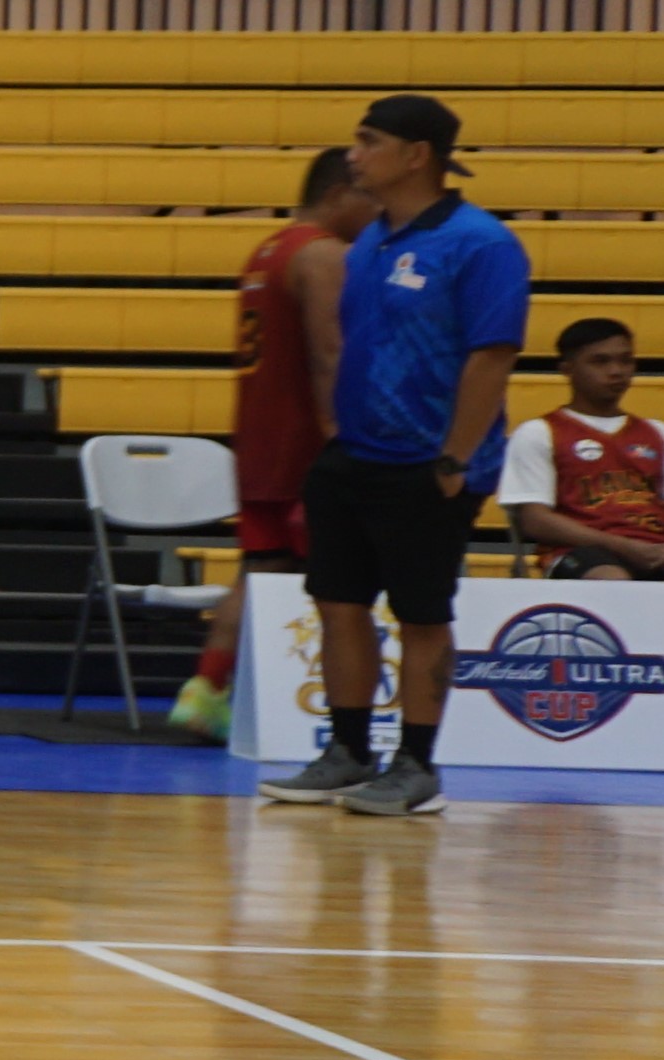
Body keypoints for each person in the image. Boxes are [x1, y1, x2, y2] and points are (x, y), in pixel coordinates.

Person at [267, 93, 529, 819]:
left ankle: (417, 765)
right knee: (338, 603)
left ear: (417, 154)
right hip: (355, 454)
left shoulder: (482, 243)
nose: (353, 155)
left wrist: (453, 460)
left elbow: (491, 358)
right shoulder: (371, 240)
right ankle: (348, 751)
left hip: (428, 464)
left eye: (367, 140)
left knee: (420, 613)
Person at [178, 148, 361, 740]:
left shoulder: (266, 250)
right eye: (373, 202)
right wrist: (341, 437)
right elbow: (328, 353)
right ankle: (330, 714)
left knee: (261, 567)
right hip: (306, 442)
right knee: (335, 576)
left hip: (259, 438)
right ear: (341, 194)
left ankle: (207, 687)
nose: (380, 215)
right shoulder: (324, 253)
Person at [501, 317, 664, 579]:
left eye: (625, 360)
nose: (616, 371)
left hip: (653, 547)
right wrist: (624, 547)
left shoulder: (657, 433)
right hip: (577, 551)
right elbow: (535, 520)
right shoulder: (539, 432)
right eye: (600, 362)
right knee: (612, 579)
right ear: (567, 369)